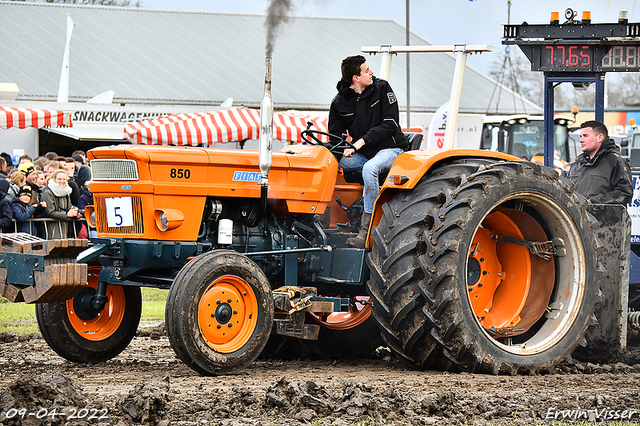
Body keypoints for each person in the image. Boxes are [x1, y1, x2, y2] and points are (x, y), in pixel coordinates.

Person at [328, 55, 409, 247]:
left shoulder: (382, 89)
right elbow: (335, 137)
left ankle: (367, 231)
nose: (371, 72)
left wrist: (359, 143)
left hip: (390, 149)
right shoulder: (339, 102)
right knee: (330, 161)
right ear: (356, 78)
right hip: (364, 155)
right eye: (366, 70)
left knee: (369, 169)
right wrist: (338, 150)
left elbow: (390, 124)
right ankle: (322, 220)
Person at [568, 120, 633, 205]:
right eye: (581, 136)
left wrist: (592, 203)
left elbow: (625, 193)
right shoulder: (576, 165)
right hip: (578, 217)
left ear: (600, 137)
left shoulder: (615, 162)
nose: (581, 140)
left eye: (585, 136)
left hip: (605, 217)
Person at [41, 169, 80, 239]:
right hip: (52, 230)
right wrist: (67, 215)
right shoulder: (47, 192)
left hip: (65, 230)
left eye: (64, 179)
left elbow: (69, 207)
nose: (62, 181)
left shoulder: (67, 191)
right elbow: (50, 212)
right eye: (59, 179)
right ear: (54, 179)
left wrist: (75, 213)